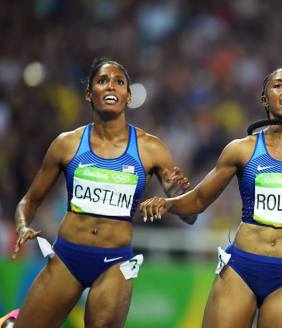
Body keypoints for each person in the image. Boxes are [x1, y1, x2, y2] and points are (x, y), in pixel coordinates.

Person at [140, 67, 282, 327]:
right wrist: (168, 203)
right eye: (278, 85)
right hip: (241, 268)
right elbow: (199, 200)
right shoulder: (241, 150)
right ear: (265, 99)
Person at [11, 57, 192, 327]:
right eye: (102, 81)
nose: (111, 87)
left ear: (128, 96)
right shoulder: (66, 144)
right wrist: (23, 225)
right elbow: (30, 200)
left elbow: (190, 214)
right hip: (67, 257)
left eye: (119, 82)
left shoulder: (151, 149)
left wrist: (174, 198)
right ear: (88, 93)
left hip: (114, 263)